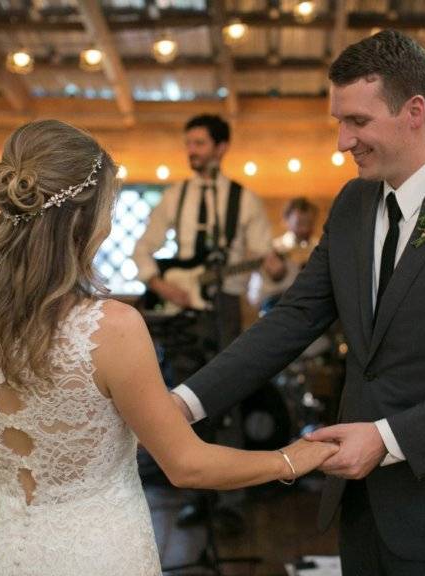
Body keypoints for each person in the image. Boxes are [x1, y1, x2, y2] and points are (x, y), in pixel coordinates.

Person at [172, 30, 425, 575]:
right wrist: (183, 404)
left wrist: (388, 438)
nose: (342, 142)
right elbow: (295, 318)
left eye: (357, 122)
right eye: (338, 122)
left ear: (414, 111)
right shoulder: (353, 203)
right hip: (359, 506)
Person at [0, 119, 337, 575]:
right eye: (110, 203)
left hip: (10, 545)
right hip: (100, 548)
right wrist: (293, 458)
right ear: (83, 217)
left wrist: (61, 442)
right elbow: (187, 466)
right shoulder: (113, 327)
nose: (110, 219)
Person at [133, 114, 285, 532]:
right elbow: (142, 250)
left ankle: (233, 501)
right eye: (189, 143)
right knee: (185, 405)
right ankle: (194, 499)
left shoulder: (245, 199)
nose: (192, 151)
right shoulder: (174, 197)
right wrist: (162, 286)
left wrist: (272, 267)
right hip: (182, 315)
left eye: (199, 143)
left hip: (227, 308)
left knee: (230, 401)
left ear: (221, 148)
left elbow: (267, 263)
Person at [247, 196, 320, 316]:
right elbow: (254, 296)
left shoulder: (319, 249)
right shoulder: (272, 251)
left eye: (309, 223)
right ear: (286, 220)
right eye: (300, 223)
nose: (305, 229)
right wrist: (276, 277)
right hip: (278, 310)